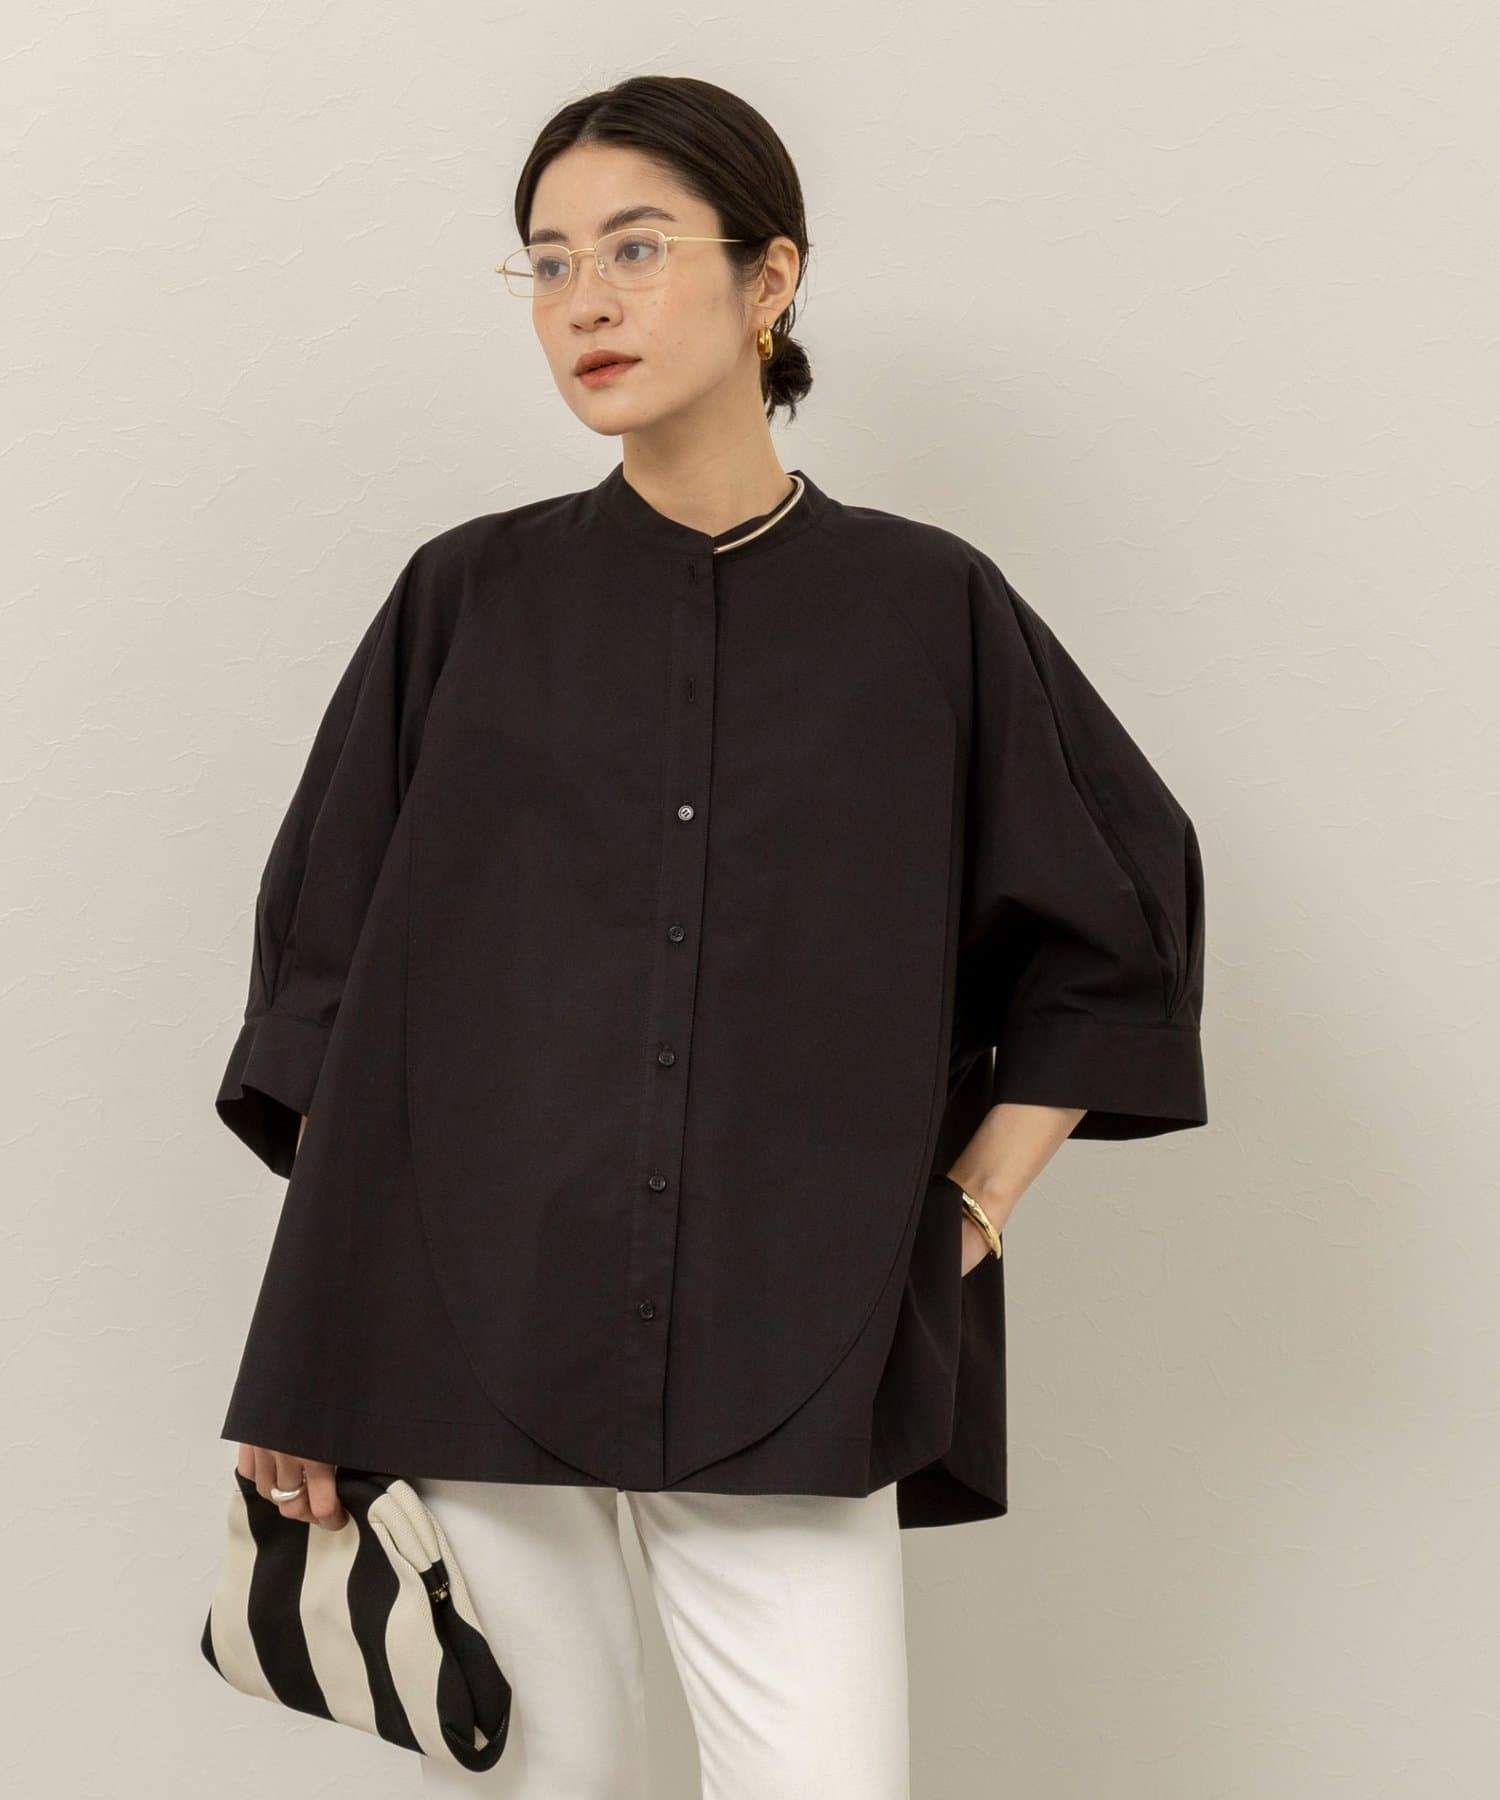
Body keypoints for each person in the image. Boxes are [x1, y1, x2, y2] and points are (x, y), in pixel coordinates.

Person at [215, 74, 1208, 1799]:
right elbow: (329, 994)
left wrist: (968, 1214)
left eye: (635, 248)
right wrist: (311, 1362)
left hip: (797, 1337)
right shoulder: (464, 599)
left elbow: (1113, 932)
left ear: (771, 280)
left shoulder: (928, 609)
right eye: (546, 262)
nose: (582, 301)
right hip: (470, 1336)